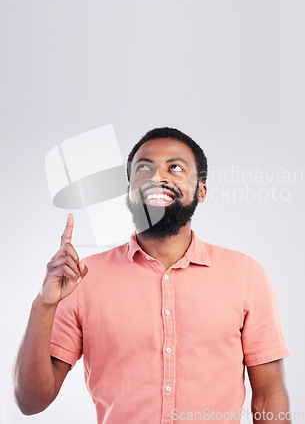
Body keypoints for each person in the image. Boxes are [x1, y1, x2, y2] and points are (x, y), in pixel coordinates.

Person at [14, 127, 290, 423]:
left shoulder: (246, 275)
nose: (158, 177)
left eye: (175, 167)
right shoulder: (83, 278)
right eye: (143, 168)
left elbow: (268, 394)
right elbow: (32, 402)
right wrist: (44, 305)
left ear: (201, 190)